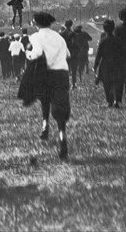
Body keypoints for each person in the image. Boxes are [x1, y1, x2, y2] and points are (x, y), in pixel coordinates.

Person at [26, 12, 71, 159]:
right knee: (60, 105)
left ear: (36, 23)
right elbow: (68, 55)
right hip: (62, 73)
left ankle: (45, 123)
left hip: (46, 73)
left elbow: (37, 53)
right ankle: (62, 134)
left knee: (45, 98)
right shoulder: (59, 36)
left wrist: (28, 54)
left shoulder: (35, 37)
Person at [93, 19, 126, 108]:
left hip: (106, 64)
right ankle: (116, 100)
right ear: (113, 28)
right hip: (117, 63)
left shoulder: (103, 41)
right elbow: (122, 53)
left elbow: (99, 54)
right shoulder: (118, 40)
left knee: (107, 83)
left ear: (104, 29)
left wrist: (95, 66)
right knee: (117, 83)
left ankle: (110, 100)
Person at [60, 19, 77, 89]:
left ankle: (65, 83)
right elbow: (74, 43)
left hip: (64, 53)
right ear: (71, 25)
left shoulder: (61, 34)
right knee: (73, 69)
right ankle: (73, 83)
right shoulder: (73, 34)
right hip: (72, 53)